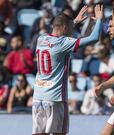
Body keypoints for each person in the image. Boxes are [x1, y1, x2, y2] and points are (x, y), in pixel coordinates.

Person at [32, 5, 103, 135]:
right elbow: (94, 38)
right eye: (70, 28)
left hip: (38, 97)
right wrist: (99, 20)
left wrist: (73, 22)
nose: (72, 31)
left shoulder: (41, 39)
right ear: (65, 28)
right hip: (55, 98)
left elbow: (60, 29)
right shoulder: (63, 43)